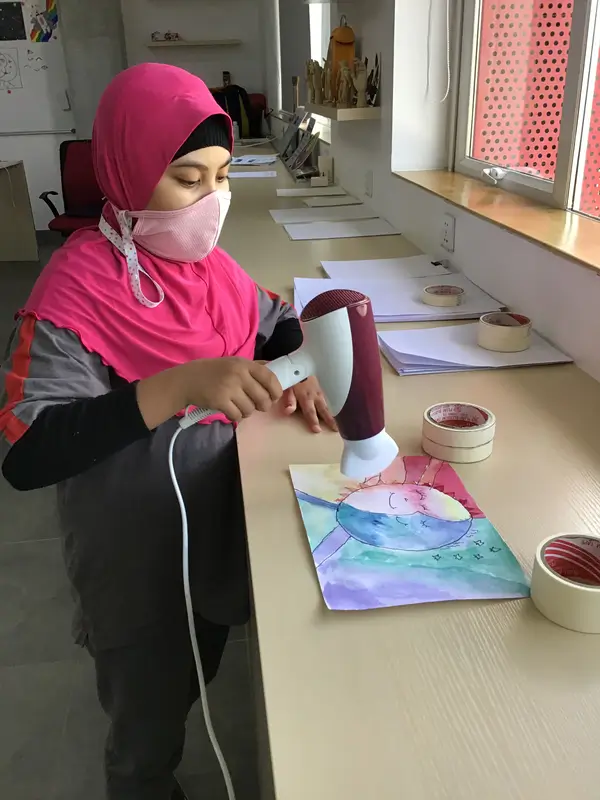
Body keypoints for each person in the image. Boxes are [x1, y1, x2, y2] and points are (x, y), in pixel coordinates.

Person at [0, 63, 336, 800]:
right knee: (145, 725)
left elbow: (278, 321)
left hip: (214, 528)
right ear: (127, 170)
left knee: (198, 669)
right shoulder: (71, 293)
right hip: (136, 560)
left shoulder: (210, 268)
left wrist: (302, 369)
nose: (212, 201)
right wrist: (175, 386)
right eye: (188, 179)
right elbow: (28, 450)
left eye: (222, 176)